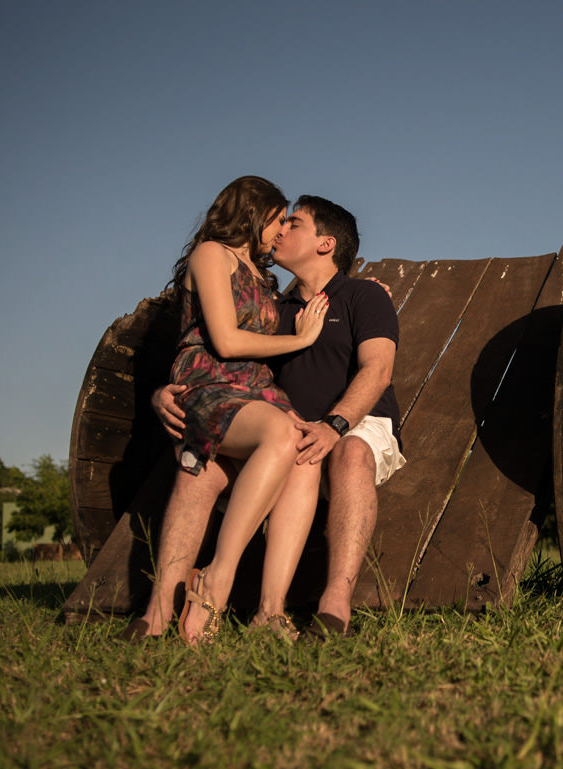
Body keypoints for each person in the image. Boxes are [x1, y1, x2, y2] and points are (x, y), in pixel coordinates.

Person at [123, 193, 404, 643]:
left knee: (346, 453)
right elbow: (216, 352)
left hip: (353, 425)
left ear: (326, 244)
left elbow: (378, 370)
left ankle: (334, 605)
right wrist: (161, 393)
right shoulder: (274, 307)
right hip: (279, 429)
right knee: (199, 470)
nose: (279, 230)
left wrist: (334, 425)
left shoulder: (362, 294)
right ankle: (160, 611)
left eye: (294, 224)